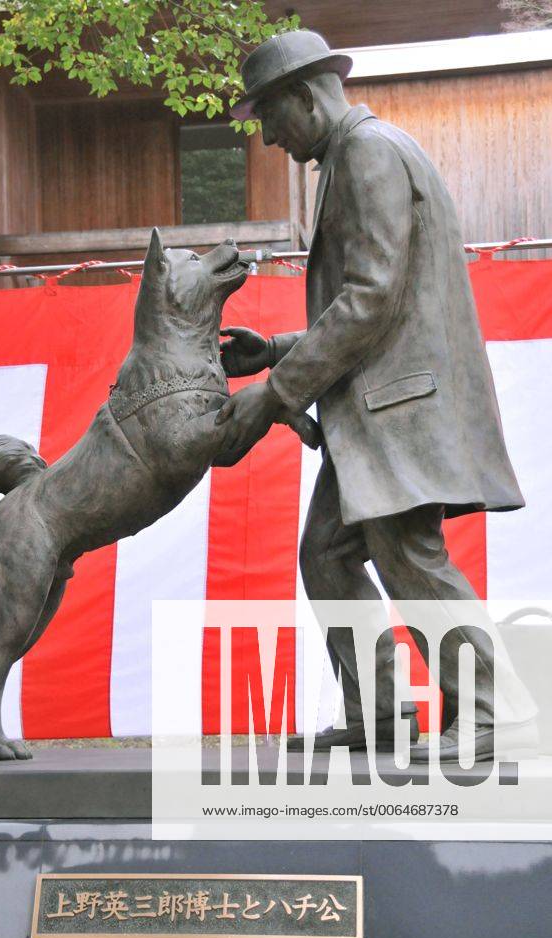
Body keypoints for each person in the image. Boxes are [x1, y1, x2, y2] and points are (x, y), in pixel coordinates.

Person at [216, 29, 538, 760]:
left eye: (267, 116)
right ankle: (385, 712)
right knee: (327, 556)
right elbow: (383, 304)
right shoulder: (359, 153)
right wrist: (275, 350)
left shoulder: (366, 152)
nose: (267, 137)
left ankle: (495, 712)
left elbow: (369, 300)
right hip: (384, 403)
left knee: (408, 556)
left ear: (302, 96)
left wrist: (273, 391)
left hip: (399, 408)